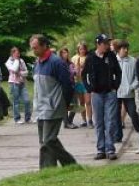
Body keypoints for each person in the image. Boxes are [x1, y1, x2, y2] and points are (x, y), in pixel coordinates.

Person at [29, 35, 77, 168]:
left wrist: (66, 104)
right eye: (32, 48)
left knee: (48, 141)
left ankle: (50, 169)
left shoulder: (57, 62)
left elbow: (67, 85)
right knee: (46, 141)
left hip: (53, 107)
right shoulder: (37, 63)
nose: (33, 50)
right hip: (40, 108)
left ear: (45, 46)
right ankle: (61, 167)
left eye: (36, 47)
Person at [83, 34, 121, 160]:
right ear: (98, 44)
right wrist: (89, 88)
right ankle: (101, 149)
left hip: (110, 93)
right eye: (105, 43)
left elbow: (118, 72)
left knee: (110, 121)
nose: (107, 46)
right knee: (99, 122)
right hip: (96, 94)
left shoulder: (111, 56)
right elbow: (84, 75)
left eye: (108, 43)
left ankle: (110, 149)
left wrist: (116, 86)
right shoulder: (90, 58)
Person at [115, 40, 139, 153]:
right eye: (123, 48)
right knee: (115, 115)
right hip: (116, 93)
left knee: (133, 114)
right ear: (118, 50)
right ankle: (117, 135)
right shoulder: (113, 60)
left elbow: (138, 77)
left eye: (127, 48)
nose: (126, 50)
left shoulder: (133, 61)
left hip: (129, 93)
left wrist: (131, 87)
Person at [5, 46, 32, 124]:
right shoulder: (8, 62)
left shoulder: (22, 61)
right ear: (12, 54)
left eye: (18, 53)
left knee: (27, 100)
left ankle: (28, 118)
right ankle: (17, 119)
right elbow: (14, 69)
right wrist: (16, 60)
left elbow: (26, 72)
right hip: (13, 83)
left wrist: (20, 73)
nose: (18, 55)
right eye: (16, 53)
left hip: (22, 83)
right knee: (15, 102)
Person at [70, 43, 92, 126]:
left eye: (83, 49)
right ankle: (84, 120)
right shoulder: (74, 58)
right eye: (80, 49)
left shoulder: (89, 57)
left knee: (88, 101)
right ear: (78, 50)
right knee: (82, 102)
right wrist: (78, 67)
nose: (82, 50)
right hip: (78, 82)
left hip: (87, 82)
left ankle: (90, 120)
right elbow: (72, 70)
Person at [58, 47, 78, 128]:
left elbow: (75, 74)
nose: (65, 54)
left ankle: (69, 121)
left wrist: (76, 71)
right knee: (65, 105)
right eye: (63, 53)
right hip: (63, 86)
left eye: (66, 52)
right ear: (60, 54)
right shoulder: (59, 63)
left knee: (75, 105)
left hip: (72, 85)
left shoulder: (71, 63)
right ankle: (66, 123)